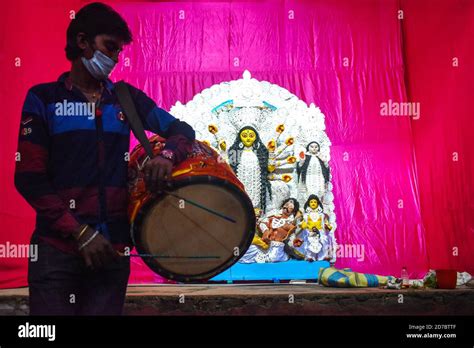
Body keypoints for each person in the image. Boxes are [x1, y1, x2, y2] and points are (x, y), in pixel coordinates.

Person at [14, 2, 195, 315]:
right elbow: (29, 178)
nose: (114, 58)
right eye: (109, 47)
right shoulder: (43, 99)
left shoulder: (125, 99)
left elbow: (181, 130)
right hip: (55, 254)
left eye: (118, 51)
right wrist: (81, 233)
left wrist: (167, 155)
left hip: (112, 254)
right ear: (82, 42)